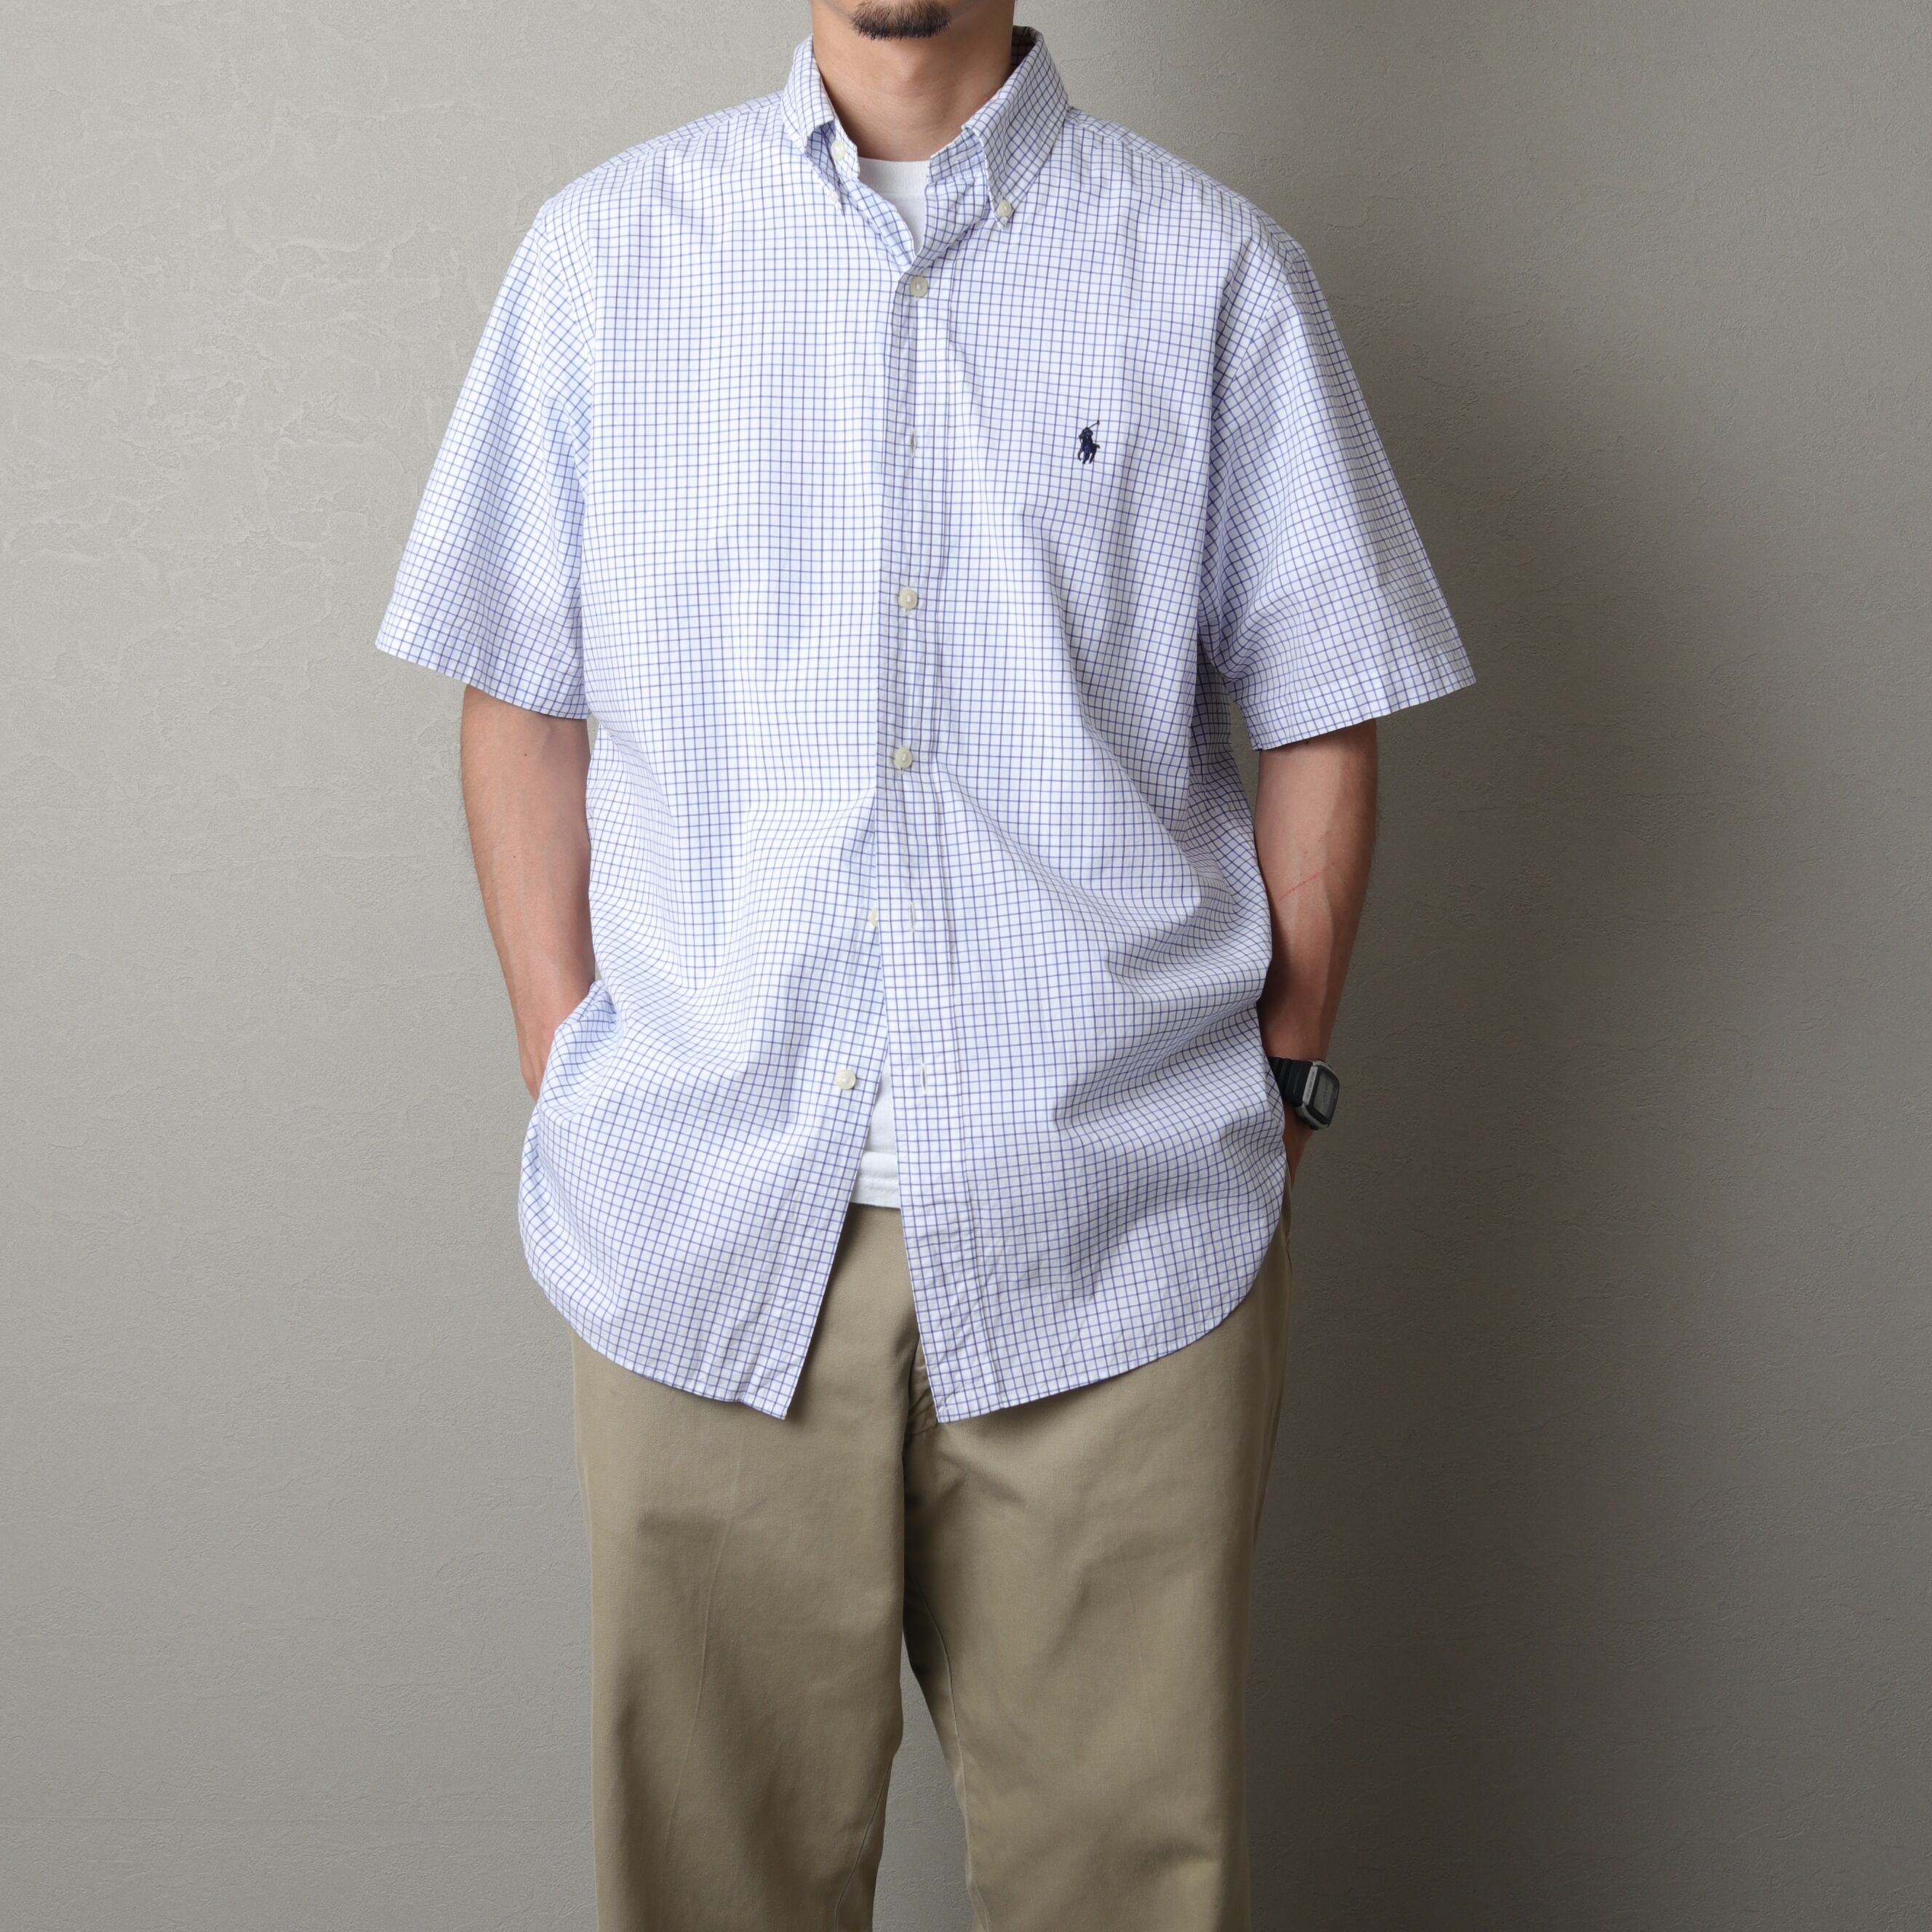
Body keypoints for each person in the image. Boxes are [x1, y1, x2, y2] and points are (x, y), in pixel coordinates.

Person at [372, 4, 1473, 1926]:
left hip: (1120, 1213)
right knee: (710, 1888)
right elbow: (520, 701)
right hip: (706, 1213)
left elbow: (1323, 709)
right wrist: (575, 1069)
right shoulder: (606, 258)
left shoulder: (1212, 269)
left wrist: (1284, 1083)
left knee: (1128, 1885)